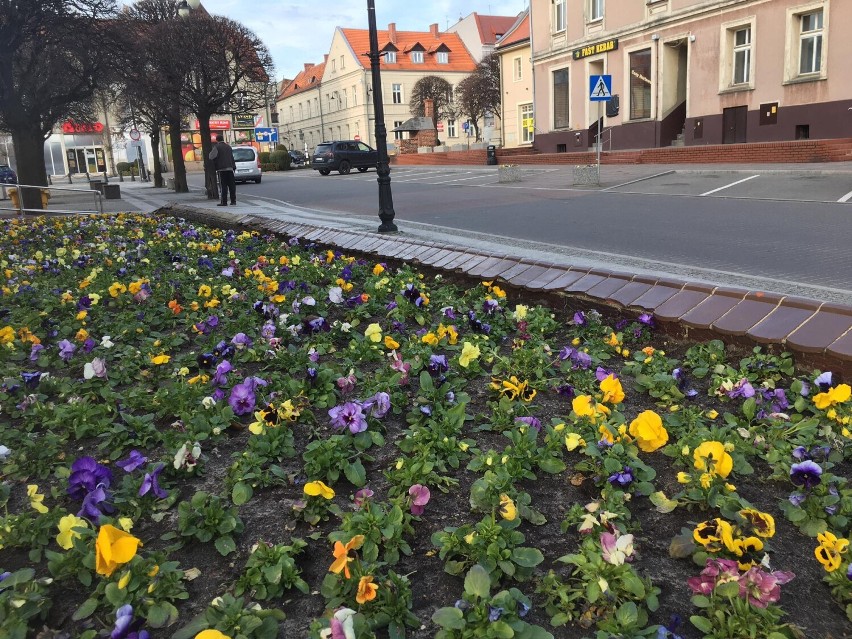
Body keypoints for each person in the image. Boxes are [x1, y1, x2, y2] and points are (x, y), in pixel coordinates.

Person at [209, 133, 236, 206]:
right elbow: (232, 157)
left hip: (221, 169)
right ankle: (233, 201)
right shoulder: (229, 147)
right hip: (230, 168)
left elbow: (211, 156)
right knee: (231, 186)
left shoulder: (217, 147)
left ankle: (224, 202)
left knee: (223, 186)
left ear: (217, 140)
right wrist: (233, 167)